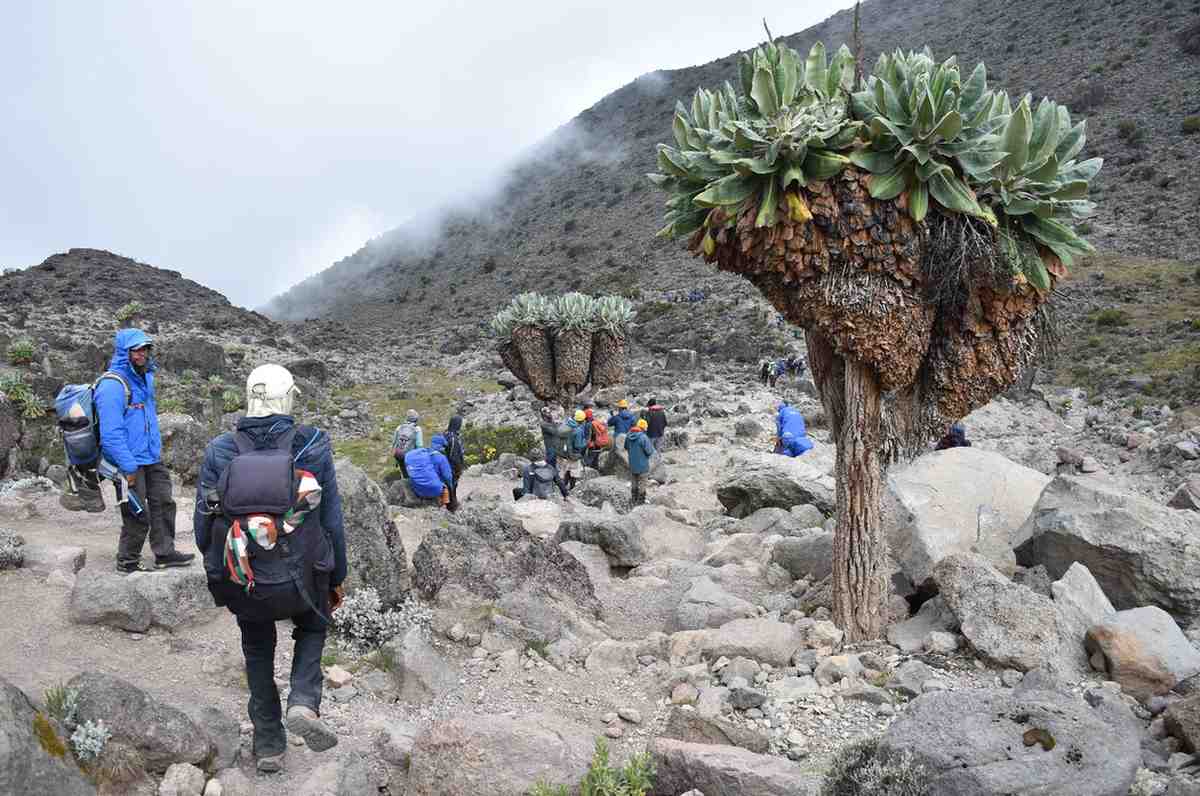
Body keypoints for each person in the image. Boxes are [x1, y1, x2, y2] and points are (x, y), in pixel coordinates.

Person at [193, 364, 347, 773]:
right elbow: (331, 519)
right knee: (314, 626)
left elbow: (201, 527)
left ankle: (269, 745)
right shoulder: (313, 444)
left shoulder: (220, 451)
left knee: (257, 648)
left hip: (247, 579)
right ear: (289, 398)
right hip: (305, 576)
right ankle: (303, 702)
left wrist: (226, 570)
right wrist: (337, 576)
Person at [95, 328, 194, 574]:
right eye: (136, 350)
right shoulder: (112, 385)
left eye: (145, 349)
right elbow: (111, 434)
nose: (142, 355)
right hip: (128, 461)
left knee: (163, 503)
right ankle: (127, 562)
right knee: (136, 513)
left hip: (151, 457)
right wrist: (127, 466)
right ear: (124, 352)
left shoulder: (145, 378)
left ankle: (165, 553)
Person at [405, 436, 456, 510]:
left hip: (418, 489)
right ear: (441, 446)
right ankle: (446, 509)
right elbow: (447, 477)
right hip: (433, 489)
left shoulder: (423, 454)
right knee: (446, 490)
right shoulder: (441, 458)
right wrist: (451, 486)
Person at [625, 419, 656, 506]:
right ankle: (641, 501)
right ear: (643, 428)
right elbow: (649, 451)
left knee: (634, 481)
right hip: (643, 465)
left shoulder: (628, 435)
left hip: (632, 464)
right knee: (642, 482)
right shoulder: (643, 437)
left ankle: (633, 499)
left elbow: (626, 447)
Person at [391, 410, 423, 478]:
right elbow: (419, 445)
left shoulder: (399, 427)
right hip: (410, 455)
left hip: (399, 454)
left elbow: (394, 442)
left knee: (404, 472)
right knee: (412, 474)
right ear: (416, 419)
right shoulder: (417, 429)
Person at [562, 409, 588, 489]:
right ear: (582, 420)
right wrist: (585, 442)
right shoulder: (578, 430)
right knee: (575, 472)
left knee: (567, 470)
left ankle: (563, 486)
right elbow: (578, 445)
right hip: (574, 454)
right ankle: (572, 488)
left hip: (565, 452)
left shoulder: (567, 424)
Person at [443, 415, 466, 486]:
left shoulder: (445, 434)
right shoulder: (453, 438)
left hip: (445, 466)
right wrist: (459, 468)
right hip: (451, 468)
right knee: (452, 486)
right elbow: (454, 456)